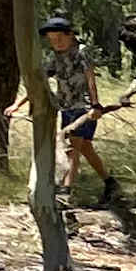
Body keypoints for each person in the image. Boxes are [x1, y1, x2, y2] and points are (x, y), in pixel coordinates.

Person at [42, 15, 119, 205]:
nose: (57, 42)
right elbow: (41, 79)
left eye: (60, 37)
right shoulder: (55, 57)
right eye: (52, 39)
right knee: (85, 148)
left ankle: (65, 192)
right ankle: (110, 183)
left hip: (83, 108)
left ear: (70, 35)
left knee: (72, 148)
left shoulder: (81, 52)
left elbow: (90, 78)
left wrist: (95, 105)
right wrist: (19, 104)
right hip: (66, 108)